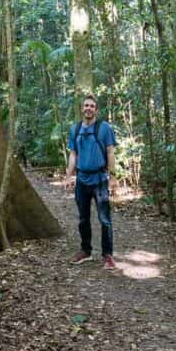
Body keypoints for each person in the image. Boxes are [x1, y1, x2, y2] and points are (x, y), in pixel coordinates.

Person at [64, 95, 117, 269]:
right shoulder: (75, 129)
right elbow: (73, 154)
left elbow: (110, 152)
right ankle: (85, 251)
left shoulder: (104, 128)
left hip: (100, 180)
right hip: (82, 180)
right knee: (83, 219)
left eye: (92, 106)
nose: (88, 108)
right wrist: (69, 176)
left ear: (96, 109)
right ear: (81, 108)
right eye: (86, 105)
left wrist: (113, 177)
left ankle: (107, 255)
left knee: (104, 219)